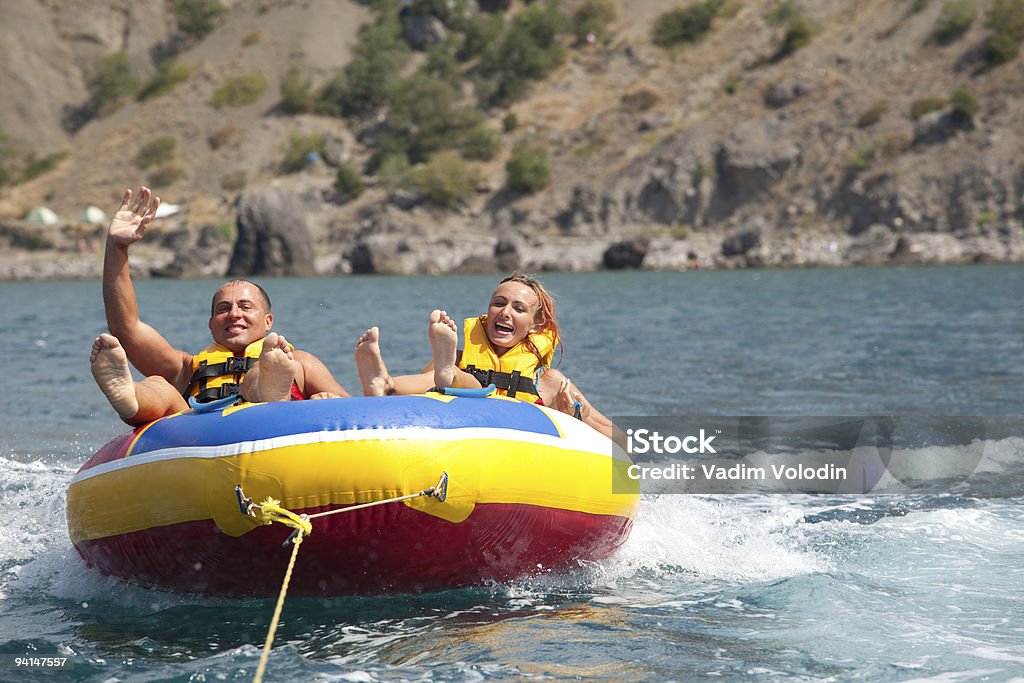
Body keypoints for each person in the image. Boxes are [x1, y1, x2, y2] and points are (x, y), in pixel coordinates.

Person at [90, 187, 349, 426]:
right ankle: (128, 395)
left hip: (272, 425)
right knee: (159, 385)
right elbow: (127, 328)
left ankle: (271, 389)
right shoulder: (185, 368)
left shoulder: (299, 362)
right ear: (211, 324)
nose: (234, 313)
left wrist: (326, 401)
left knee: (259, 373)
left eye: (245, 307)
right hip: (197, 436)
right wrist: (117, 248)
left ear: (268, 321)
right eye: (223, 309)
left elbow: (354, 411)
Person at [354, 272, 615, 439]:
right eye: (498, 304)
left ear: (535, 325)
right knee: (445, 379)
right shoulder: (459, 356)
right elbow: (421, 406)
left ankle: (448, 377)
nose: (505, 312)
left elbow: (623, 442)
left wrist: (581, 416)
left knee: (455, 376)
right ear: (488, 311)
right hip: (468, 439)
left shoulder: (551, 382)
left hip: (522, 457)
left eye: (519, 308)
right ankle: (385, 384)